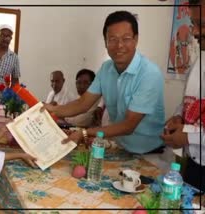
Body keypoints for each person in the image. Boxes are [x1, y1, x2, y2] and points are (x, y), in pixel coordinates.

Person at [44, 11, 166, 156]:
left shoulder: (149, 73)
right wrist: (52, 109)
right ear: (105, 42)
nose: (119, 45)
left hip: (150, 155)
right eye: (112, 39)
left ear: (136, 40)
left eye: (126, 38)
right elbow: (83, 103)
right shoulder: (106, 68)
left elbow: (129, 125)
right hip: (122, 150)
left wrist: (85, 133)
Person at [161, 0, 205, 191]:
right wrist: (179, 116)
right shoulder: (199, 60)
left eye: (202, 24)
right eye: (194, 24)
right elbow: (188, 102)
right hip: (195, 166)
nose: (195, 32)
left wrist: (188, 137)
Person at [0, 24, 20, 104]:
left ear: (11, 39)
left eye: (8, 36)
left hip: (2, 102)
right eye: (2, 35)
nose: (5, 38)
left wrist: (11, 99)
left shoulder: (14, 57)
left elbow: (15, 81)